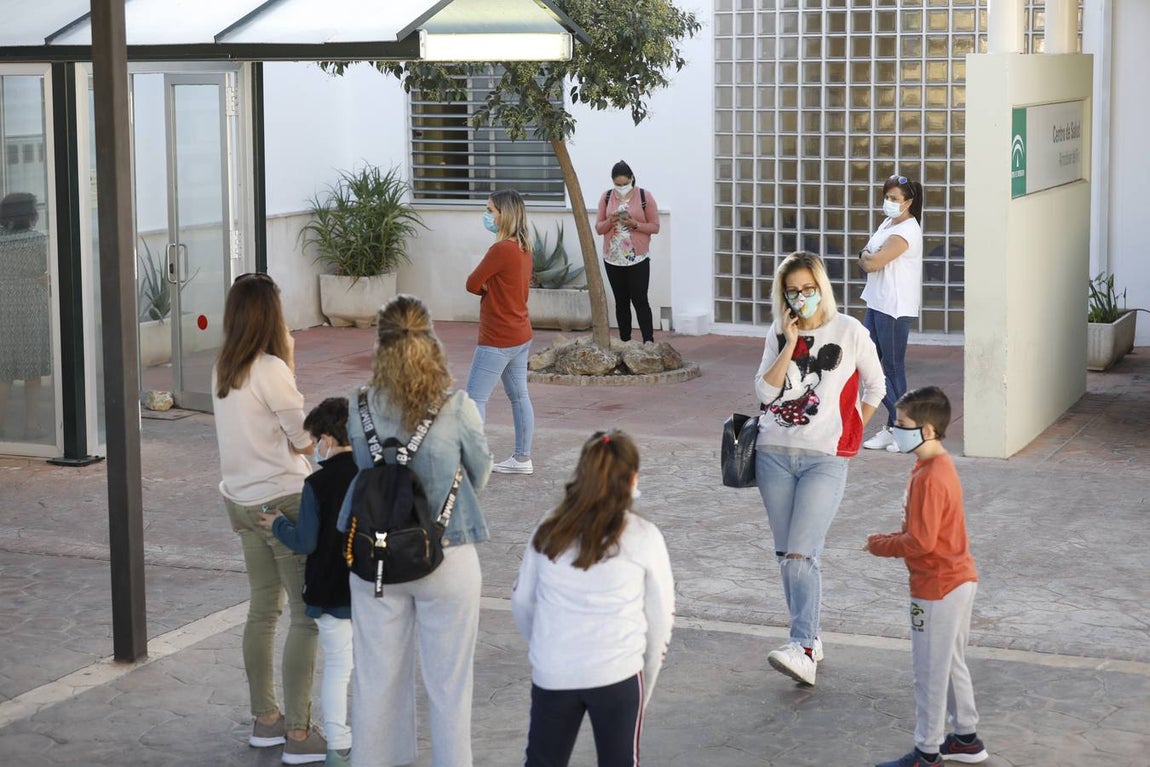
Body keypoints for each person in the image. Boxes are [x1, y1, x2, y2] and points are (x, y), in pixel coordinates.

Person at [338, 294, 493, 767]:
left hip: (374, 555)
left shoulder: (358, 406)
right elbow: (481, 474)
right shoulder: (456, 406)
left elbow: (363, 466)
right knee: (450, 686)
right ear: (431, 341)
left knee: (376, 682)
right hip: (446, 550)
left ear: (380, 344)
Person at [753, 251, 885, 687]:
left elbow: (876, 386)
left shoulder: (849, 330)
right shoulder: (779, 331)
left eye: (808, 289)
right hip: (773, 453)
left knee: (801, 554)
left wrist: (852, 429)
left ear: (821, 287)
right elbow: (765, 393)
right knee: (786, 556)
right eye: (792, 291)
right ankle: (809, 635)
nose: (801, 297)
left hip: (824, 459)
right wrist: (789, 343)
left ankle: (803, 648)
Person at [211, 272, 326, 764]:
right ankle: (299, 734)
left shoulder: (223, 367)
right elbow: (305, 442)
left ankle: (266, 719)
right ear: (270, 317)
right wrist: (289, 362)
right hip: (283, 502)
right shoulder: (271, 368)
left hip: (241, 502)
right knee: (305, 616)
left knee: (262, 610)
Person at [511, 430, 674, 767]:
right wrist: (645, 681)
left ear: (581, 473)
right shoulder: (644, 536)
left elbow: (523, 602)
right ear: (632, 478)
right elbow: (660, 619)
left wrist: (547, 645)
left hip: (553, 669)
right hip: (617, 673)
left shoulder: (548, 528)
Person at [866, 386, 987, 767]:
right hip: (957, 579)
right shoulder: (935, 466)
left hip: (936, 587)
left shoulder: (930, 477)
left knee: (929, 671)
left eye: (902, 424)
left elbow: (920, 542)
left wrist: (880, 544)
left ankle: (927, 753)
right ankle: (965, 738)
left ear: (928, 430)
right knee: (950, 662)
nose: (895, 429)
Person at [259, 397, 359, 767]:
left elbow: (305, 541)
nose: (315, 447)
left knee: (338, 668)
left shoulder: (317, 483)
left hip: (330, 590)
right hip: (370, 589)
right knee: (369, 669)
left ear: (327, 439)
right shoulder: (370, 473)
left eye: (316, 440)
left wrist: (278, 525)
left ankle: (339, 746)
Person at [465, 189, 535, 475]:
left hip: (498, 337)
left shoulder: (501, 250)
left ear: (504, 214)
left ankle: (475, 463)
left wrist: (487, 286)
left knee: (474, 399)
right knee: (519, 397)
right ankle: (522, 458)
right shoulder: (523, 247)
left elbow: (472, 283)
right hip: (520, 334)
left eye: (490, 210)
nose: (486, 215)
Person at [859, 173, 924, 453]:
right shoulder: (888, 223)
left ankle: (906, 430)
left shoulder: (906, 231)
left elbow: (872, 262)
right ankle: (893, 429)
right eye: (887, 197)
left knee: (891, 367)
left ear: (908, 202)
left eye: (894, 198)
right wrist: (868, 257)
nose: (889, 202)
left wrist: (868, 258)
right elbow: (867, 253)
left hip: (894, 308)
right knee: (867, 361)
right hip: (876, 302)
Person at [0, 192, 51, 442]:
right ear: (30, 214)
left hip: (4, 306)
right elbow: (44, 271)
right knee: (32, 370)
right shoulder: (38, 239)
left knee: (3, 370)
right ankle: (31, 425)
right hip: (32, 306)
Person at [594, 160, 661, 344]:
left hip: (638, 258)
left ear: (632, 179)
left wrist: (635, 224)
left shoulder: (644, 196)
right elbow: (599, 228)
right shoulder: (607, 197)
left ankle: (648, 341)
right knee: (621, 301)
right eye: (618, 184)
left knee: (640, 300)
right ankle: (625, 341)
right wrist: (611, 220)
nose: (621, 187)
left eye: (625, 183)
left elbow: (655, 227)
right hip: (613, 258)